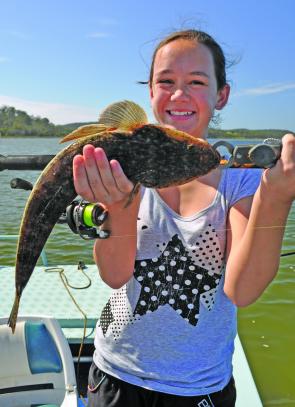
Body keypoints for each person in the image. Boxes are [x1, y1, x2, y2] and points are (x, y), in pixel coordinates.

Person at [73, 29, 295, 407]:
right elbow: (114, 276)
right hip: (114, 374)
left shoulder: (240, 180)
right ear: (150, 92)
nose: (179, 94)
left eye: (196, 81)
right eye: (166, 81)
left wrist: (276, 196)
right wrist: (120, 204)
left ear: (220, 95)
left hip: (198, 386)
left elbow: (241, 291)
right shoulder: (124, 172)